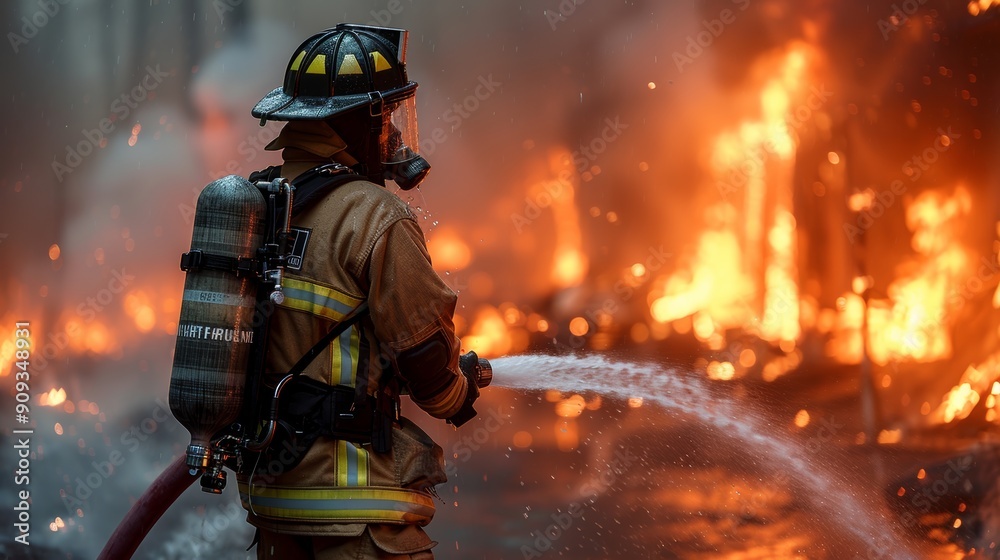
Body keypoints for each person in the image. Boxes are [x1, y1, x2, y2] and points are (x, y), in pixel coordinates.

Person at [235, 24, 481, 559]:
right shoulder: (375, 214)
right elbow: (422, 352)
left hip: (274, 505)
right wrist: (458, 393)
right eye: (386, 116)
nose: (394, 133)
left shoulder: (257, 205)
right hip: (353, 510)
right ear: (359, 121)